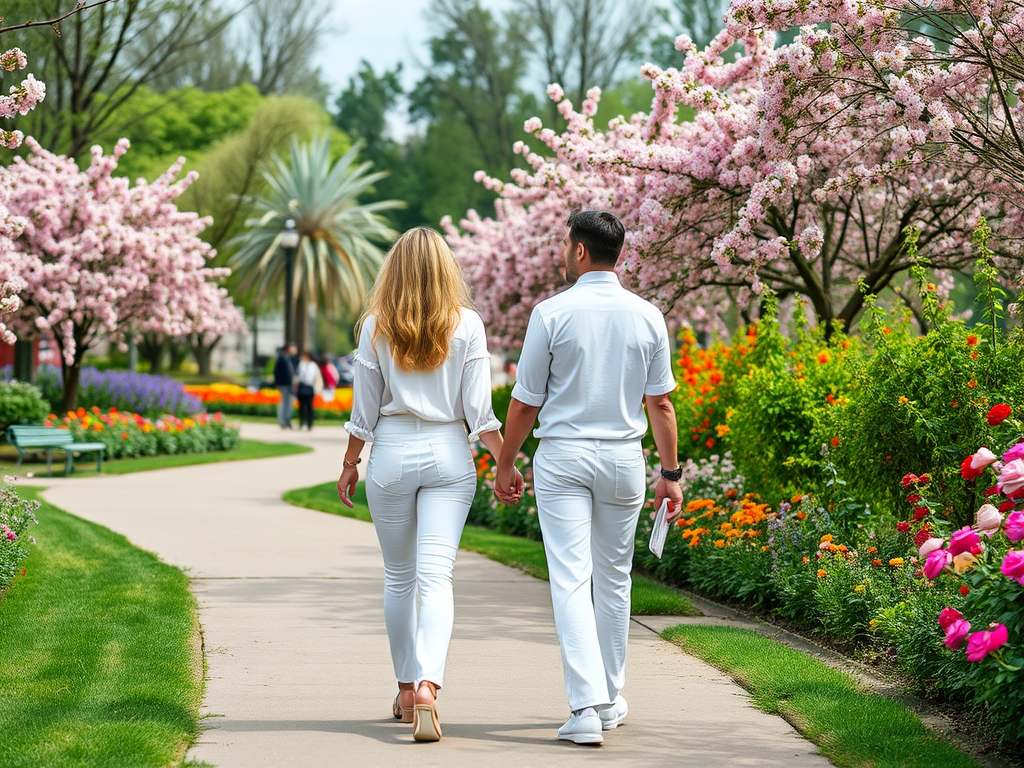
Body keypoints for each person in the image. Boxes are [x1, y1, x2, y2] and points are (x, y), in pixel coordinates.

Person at [496, 211, 683, 746]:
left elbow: (526, 401)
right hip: (624, 458)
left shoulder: (551, 313)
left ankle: (585, 707)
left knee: (572, 580)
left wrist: (506, 462)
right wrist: (670, 474)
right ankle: (609, 699)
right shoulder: (648, 315)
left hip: (563, 457)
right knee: (615, 578)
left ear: (580, 251)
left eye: (564, 244)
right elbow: (661, 404)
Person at [337, 227, 521, 743]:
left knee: (399, 578)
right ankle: (427, 687)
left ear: (392, 270)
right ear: (447, 271)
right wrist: (505, 462)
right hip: (448, 452)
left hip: (392, 453)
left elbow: (364, 411)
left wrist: (351, 462)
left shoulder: (375, 325)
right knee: (436, 578)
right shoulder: (468, 326)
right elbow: (480, 414)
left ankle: (402, 687)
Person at [295, 351, 323, 430]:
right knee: (302, 406)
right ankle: (301, 421)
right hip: (302, 385)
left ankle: (310, 423)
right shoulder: (301, 364)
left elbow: (316, 377)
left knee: (309, 406)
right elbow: (298, 375)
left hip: (309, 386)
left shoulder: (313, 366)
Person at [273, 343, 297, 429]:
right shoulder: (283, 358)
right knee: (285, 402)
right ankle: (284, 420)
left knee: (288, 402)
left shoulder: (287, 358)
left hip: (287, 384)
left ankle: (286, 420)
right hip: (285, 384)